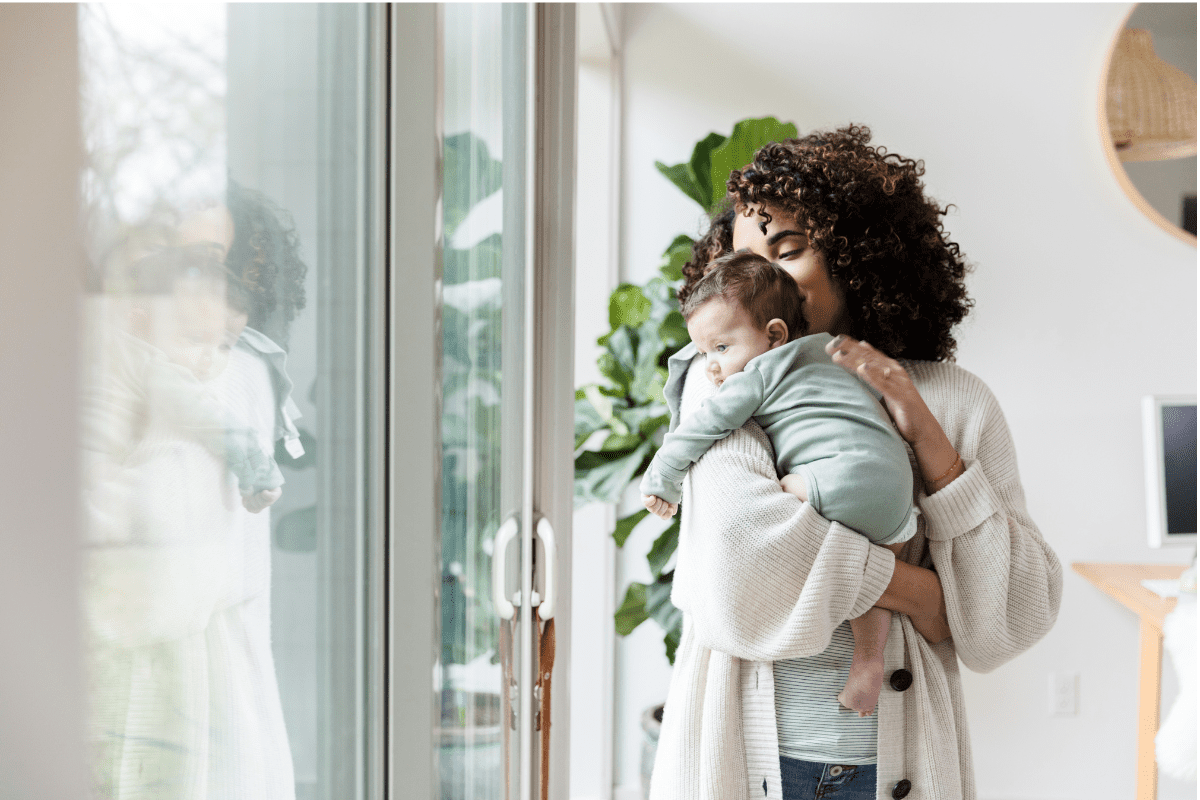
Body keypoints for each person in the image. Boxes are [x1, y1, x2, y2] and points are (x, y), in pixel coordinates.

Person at [647, 125, 1062, 800]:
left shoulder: (955, 402)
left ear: (857, 255)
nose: (767, 281)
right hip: (745, 756)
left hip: (896, 764)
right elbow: (735, 570)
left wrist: (926, 436)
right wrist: (918, 590)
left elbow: (1009, 619)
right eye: (747, 265)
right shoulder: (724, 379)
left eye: (789, 251)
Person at [639, 251, 917, 716]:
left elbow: (705, 425)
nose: (710, 367)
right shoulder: (833, 353)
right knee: (874, 585)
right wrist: (719, 344)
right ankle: (868, 662)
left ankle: (839, 653)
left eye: (720, 349)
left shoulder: (762, 371)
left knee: (776, 502)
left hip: (834, 480)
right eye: (703, 352)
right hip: (895, 496)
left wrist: (664, 476)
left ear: (775, 335)